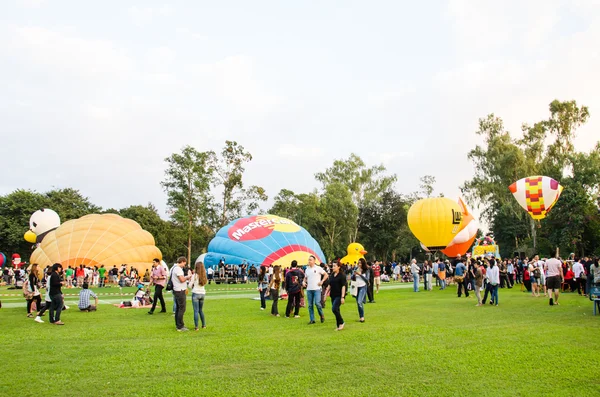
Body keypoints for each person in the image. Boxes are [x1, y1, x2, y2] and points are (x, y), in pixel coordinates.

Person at [303, 256, 328, 324]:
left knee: (317, 303)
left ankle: (321, 315)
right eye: (309, 260)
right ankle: (312, 319)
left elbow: (326, 275)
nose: (309, 261)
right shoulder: (307, 269)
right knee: (310, 305)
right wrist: (303, 282)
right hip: (309, 289)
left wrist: (322, 281)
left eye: (311, 260)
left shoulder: (318, 268)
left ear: (314, 261)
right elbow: (305, 277)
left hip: (317, 289)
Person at [172, 256, 192, 331]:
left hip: (176, 290)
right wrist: (187, 277)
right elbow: (182, 279)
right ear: (182, 261)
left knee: (178, 308)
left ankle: (178, 324)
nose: (184, 265)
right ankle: (180, 326)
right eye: (184, 264)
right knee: (182, 308)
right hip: (180, 290)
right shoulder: (178, 269)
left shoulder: (173, 268)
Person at [326, 260, 346, 331]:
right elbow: (329, 285)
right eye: (332, 266)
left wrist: (342, 297)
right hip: (333, 295)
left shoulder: (342, 276)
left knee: (334, 309)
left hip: (339, 295)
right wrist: (325, 294)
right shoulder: (332, 275)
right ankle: (338, 325)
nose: (333, 267)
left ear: (339, 267)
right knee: (337, 310)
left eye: (334, 266)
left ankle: (342, 322)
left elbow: (343, 286)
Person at [189, 262, 207, 331]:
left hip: (195, 293)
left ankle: (196, 327)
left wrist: (191, 283)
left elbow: (190, 285)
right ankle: (204, 325)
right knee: (201, 310)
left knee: (196, 311)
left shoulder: (195, 275)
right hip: (202, 293)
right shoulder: (204, 275)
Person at [354, 258, 369, 323]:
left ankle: (362, 317)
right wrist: (354, 275)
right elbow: (352, 278)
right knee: (358, 302)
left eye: (360, 263)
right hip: (356, 287)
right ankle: (361, 316)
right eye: (358, 263)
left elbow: (367, 280)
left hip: (363, 287)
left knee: (359, 302)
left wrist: (360, 274)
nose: (359, 264)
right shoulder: (355, 269)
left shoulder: (366, 270)